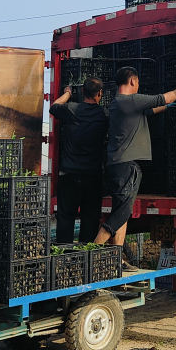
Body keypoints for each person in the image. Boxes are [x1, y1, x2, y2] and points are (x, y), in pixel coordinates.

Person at [94, 66, 176, 271]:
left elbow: (150, 110)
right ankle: (92, 252)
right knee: (122, 213)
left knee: (122, 213)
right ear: (132, 81)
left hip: (117, 165)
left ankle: (116, 260)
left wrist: (168, 107)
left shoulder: (117, 104)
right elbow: (162, 98)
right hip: (126, 166)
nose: (138, 86)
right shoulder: (129, 100)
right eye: (138, 82)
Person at [49, 77, 109, 244]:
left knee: (65, 216)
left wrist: (67, 93)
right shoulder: (104, 115)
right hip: (93, 176)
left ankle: (63, 255)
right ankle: (85, 257)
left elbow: (54, 107)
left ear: (82, 92)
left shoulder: (72, 109)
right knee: (90, 218)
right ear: (100, 94)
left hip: (69, 173)